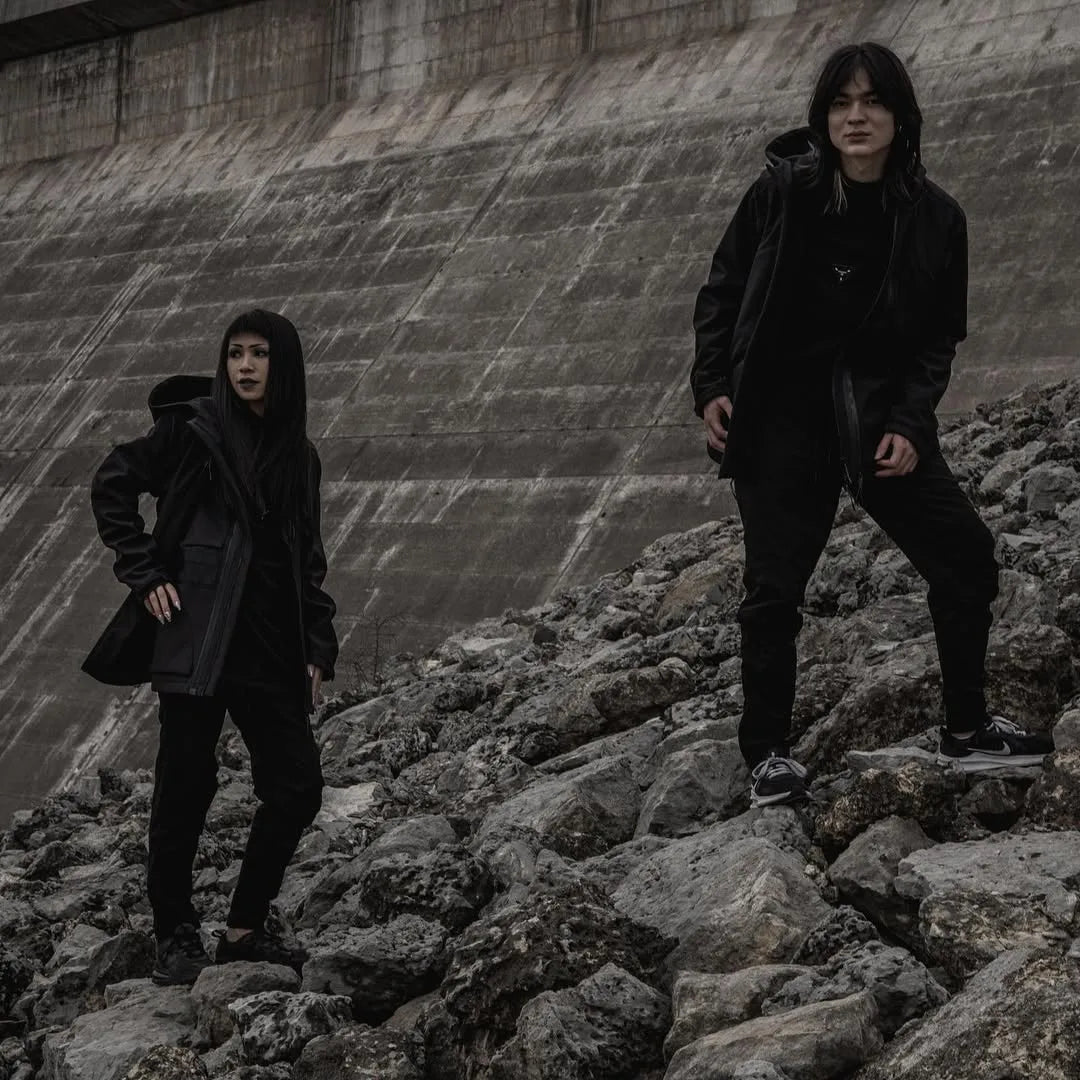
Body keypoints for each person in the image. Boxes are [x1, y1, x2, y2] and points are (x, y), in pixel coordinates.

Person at [690, 42, 1052, 807]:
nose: (856, 117)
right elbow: (722, 292)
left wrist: (913, 424)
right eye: (841, 103)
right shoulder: (781, 195)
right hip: (781, 423)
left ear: (900, 115)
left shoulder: (936, 219)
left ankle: (966, 731)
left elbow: (936, 340)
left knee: (966, 559)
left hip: (878, 421)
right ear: (823, 116)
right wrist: (712, 386)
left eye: (872, 102)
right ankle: (769, 757)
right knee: (774, 593)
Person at [84, 309, 337, 983]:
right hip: (196, 639)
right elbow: (113, 485)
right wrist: (143, 570)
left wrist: (317, 645)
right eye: (235, 354)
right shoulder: (192, 430)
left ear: (284, 367)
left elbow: (306, 560)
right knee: (183, 791)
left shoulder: (297, 456)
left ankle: (244, 927)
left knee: (297, 787)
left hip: (269, 648)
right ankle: (175, 935)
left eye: (259, 355)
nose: (246, 366)